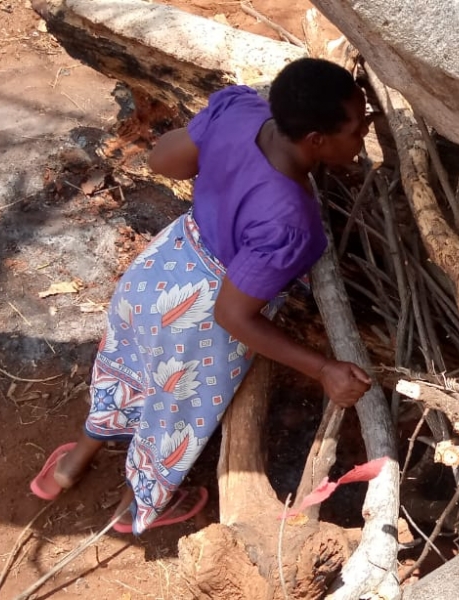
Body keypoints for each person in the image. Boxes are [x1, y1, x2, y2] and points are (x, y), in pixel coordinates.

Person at [29, 58, 373, 535]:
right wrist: (324, 368)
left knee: (128, 368)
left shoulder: (240, 112)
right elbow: (233, 315)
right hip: (197, 324)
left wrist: (213, 137)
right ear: (316, 140)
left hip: (159, 272)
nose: (363, 138)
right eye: (358, 129)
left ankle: (71, 465)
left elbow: (163, 161)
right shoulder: (289, 220)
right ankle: (136, 508)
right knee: (173, 413)